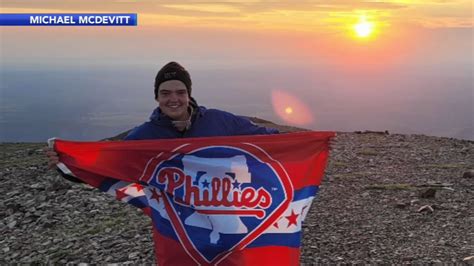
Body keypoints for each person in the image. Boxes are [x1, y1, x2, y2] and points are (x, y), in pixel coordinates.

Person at [46, 61, 277, 169]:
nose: (173, 99)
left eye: (180, 92)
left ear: (189, 95)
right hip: (175, 225)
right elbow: (109, 165)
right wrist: (68, 161)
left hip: (223, 210)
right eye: (165, 93)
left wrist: (311, 143)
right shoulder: (144, 136)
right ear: (157, 97)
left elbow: (267, 139)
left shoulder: (220, 120)